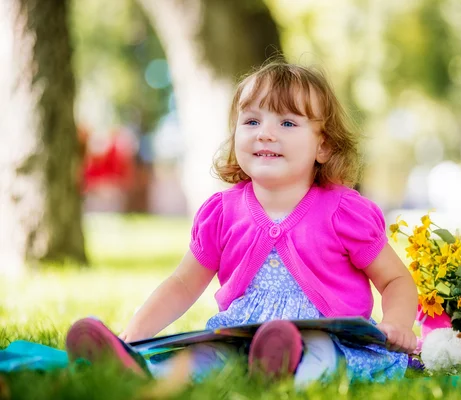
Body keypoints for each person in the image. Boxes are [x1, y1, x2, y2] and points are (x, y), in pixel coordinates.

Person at [66, 61, 418, 386]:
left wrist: (398, 324)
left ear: (322, 146)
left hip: (327, 336)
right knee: (203, 357)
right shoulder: (222, 213)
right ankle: (131, 363)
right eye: (252, 121)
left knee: (317, 352)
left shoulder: (342, 212)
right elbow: (182, 284)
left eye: (287, 123)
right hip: (240, 336)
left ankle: (282, 371)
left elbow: (395, 279)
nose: (265, 133)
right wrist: (135, 334)